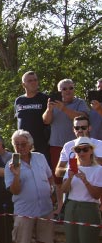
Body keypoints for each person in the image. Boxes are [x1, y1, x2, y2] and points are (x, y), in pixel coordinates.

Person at [4, 130, 58, 243]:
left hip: (45, 208)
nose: (20, 147)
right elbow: (14, 190)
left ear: (30, 144)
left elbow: (50, 177)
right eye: (17, 145)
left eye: (23, 144)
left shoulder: (40, 158)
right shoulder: (10, 165)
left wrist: (53, 193)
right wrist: (16, 175)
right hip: (24, 210)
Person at [58, 137, 102, 243]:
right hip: (72, 207)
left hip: (89, 208)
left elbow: (96, 195)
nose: (82, 153)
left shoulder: (98, 170)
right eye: (78, 150)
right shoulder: (71, 167)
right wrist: (69, 177)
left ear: (91, 150)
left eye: (85, 149)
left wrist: (84, 179)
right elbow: (63, 190)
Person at [43, 78, 89, 211]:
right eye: (64, 89)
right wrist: (49, 109)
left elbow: (81, 118)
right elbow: (46, 121)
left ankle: (80, 204)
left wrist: (63, 108)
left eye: (71, 88)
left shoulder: (79, 103)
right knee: (59, 176)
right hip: (56, 145)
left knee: (79, 174)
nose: (68, 91)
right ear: (59, 91)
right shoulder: (53, 104)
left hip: (78, 147)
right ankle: (60, 206)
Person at [15, 70, 51, 165]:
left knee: (43, 170)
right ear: (24, 84)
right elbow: (18, 120)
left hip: (40, 143)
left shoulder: (44, 98)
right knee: (19, 169)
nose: (33, 82)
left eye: (35, 80)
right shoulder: (19, 100)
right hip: (21, 144)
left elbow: (48, 121)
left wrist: (49, 109)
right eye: (30, 81)